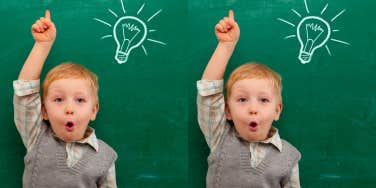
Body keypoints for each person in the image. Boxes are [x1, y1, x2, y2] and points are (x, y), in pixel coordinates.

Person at [197, 10, 301, 187]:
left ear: (277, 110)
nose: (253, 108)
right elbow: (209, 92)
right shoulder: (219, 137)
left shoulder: (289, 157)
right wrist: (226, 45)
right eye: (242, 100)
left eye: (263, 100)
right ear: (228, 111)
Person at [13, 10, 117, 187]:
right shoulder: (36, 137)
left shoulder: (105, 157)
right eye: (59, 100)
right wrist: (42, 45)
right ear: (44, 111)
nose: (69, 108)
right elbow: (25, 92)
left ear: (93, 110)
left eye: (80, 100)